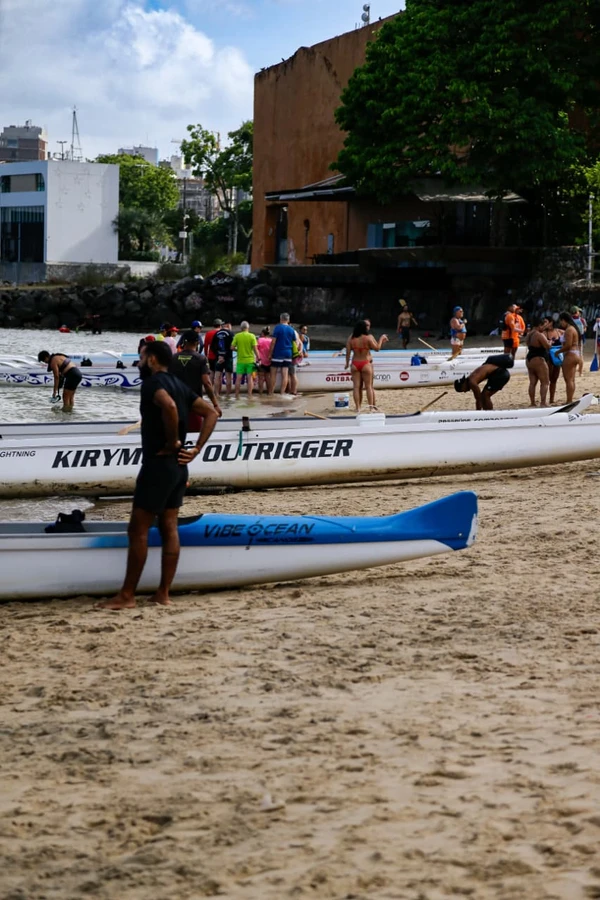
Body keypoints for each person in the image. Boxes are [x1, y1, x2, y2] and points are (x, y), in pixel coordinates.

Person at [98, 340, 219, 611]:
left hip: (159, 464)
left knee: (138, 529)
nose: (139, 362)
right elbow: (211, 413)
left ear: (152, 359)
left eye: (142, 357)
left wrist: (173, 441)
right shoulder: (179, 384)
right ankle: (163, 593)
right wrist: (195, 449)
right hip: (179, 467)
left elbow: (170, 408)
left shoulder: (153, 384)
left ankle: (127, 596)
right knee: (169, 526)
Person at [170, 329, 221, 429]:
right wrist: (215, 404)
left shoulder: (173, 358)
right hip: (194, 405)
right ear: (197, 342)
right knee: (194, 437)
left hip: (175, 405)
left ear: (184, 342)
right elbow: (206, 383)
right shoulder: (200, 359)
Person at [344, 320, 389, 411]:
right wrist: (381, 339)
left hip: (355, 364)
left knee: (356, 387)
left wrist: (347, 364)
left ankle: (358, 408)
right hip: (365, 363)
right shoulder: (368, 338)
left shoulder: (351, 338)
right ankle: (371, 407)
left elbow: (348, 352)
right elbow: (377, 348)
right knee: (368, 387)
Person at [268, 312, 297, 395]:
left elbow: (273, 342)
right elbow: (294, 342)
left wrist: (270, 353)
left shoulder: (278, 328)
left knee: (273, 373)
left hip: (278, 353)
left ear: (281, 319)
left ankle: (271, 393)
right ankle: (282, 393)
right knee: (285, 374)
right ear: (288, 320)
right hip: (288, 353)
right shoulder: (291, 330)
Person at [525, 319, 551, 407]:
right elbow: (547, 346)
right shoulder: (539, 335)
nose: (544, 328)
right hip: (538, 359)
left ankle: (532, 402)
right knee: (545, 382)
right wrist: (550, 342)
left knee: (532, 382)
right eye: (543, 326)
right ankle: (543, 402)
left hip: (529, 359)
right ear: (539, 325)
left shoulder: (529, 334)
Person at [231, 321, 259, 399]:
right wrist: (259, 357)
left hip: (240, 361)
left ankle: (236, 395)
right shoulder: (252, 336)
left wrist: (238, 350)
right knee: (249, 378)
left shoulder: (237, 336)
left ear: (241, 328)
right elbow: (255, 349)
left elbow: (232, 348)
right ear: (248, 328)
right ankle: (249, 395)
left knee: (238, 378)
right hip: (250, 360)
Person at [558, 311, 580, 404]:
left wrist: (558, 352)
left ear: (564, 320)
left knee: (568, 379)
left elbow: (568, 345)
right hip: (575, 354)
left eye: (561, 321)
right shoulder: (573, 328)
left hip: (570, 354)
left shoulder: (569, 330)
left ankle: (569, 400)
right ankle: (570, 399)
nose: (560, 324)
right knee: (572, 379)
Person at [210, 320, 234, 398]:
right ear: (228, 325)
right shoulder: (230, 334)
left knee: (217, 376)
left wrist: (219, 355)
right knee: (228, 377)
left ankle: (216, 394)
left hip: (219, 357)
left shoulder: (217, 333)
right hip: (228, 358)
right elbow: (231, 347)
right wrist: (225, 357)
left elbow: (212, 347)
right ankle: (228, 395)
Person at [571, 306, 587, 375]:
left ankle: (572, 371)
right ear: (576, 312)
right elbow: (584, 329)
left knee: (572, 355)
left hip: (571, 340)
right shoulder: (582, 320)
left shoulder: (570, 320)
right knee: (580, 355)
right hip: (579, 339)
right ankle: (580, 372)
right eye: (578, 311)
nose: (579, 313)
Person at [256, 327, 272, 394]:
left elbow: (255, 349)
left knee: (261, 378)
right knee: (268, 378)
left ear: (262, 333)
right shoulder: (271, 340)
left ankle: (260, 393)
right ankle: (269, 392)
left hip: (261, 361)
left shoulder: (259, 340)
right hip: (269, 361)